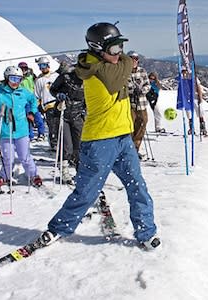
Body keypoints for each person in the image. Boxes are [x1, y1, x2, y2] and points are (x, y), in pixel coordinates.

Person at [36, 22, 160, 250]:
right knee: (87, 191)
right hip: (100, 141)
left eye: (120, 46)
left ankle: (146, 231)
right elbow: (126, 66)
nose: (119, 54)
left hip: (123, 138)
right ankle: (59, 228)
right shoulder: (99, 72)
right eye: (113, 49)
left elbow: (125, 62)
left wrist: (104, 52)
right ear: (97, 48)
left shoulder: (98, 63)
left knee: (137, 186)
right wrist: (102, 57)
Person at [0, 66, 43, 188]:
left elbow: (33, 101)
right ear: (6, 78)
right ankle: (4, 176)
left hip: (22, 130)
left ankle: (33, 175)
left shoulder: (23, 91)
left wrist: (31, 112)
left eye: (18, 79)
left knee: (24, 156)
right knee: (8, 158)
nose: (15, 82)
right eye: (13, 78)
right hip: (5, 130)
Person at [50, 62, 86, 183]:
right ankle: (64, 170)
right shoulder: (66, 77)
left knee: (79, 145)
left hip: (78, 115)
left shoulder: (90, 80)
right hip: (63, 113)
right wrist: (58, 95)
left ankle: (80, 171)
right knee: (67, 146)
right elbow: (53, 89)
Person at [128, 52, 151, 157]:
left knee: (142, 124)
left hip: (141, 103)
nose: (134, 61)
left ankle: (135, 149)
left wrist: (142, 91)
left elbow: (147, 85)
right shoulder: (125, 72)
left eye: (136, 59)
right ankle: (128, 150)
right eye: (132, 59)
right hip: (129, 104)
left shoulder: (142, 71)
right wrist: (132, 90)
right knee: (129, 126)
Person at [34, 56, 59, 150]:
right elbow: (36, 94)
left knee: (60, 124)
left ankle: (62, 143)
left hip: (58, 103)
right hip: (47, 105)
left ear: (48, 65)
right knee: (51, 125)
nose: (42, 68)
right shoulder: (39, 80)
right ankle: (54, 144)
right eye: (40, 66)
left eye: (44, 65)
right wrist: (38, 106)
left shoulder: (55, 76)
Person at [18, 61, 45, 142]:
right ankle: (30, 135)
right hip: (24, 102)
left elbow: (37, 83)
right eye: (21, 69)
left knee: (38, 117)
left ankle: (41, 133)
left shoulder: (31, 76)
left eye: (24, 68)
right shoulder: (18, 78)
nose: (23, 70)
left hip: (33, 100)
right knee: (28, 118)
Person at [179, 66, 208, 136]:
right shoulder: (182, 79)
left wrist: (200, 97)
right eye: (183, 71)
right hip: (187, 98)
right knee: (189, 114)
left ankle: (203, 128)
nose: (184, 73)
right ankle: (191, 129)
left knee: (200, 112)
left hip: (195, 97)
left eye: (185, 71)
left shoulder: (193, 78)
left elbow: (198, 87)